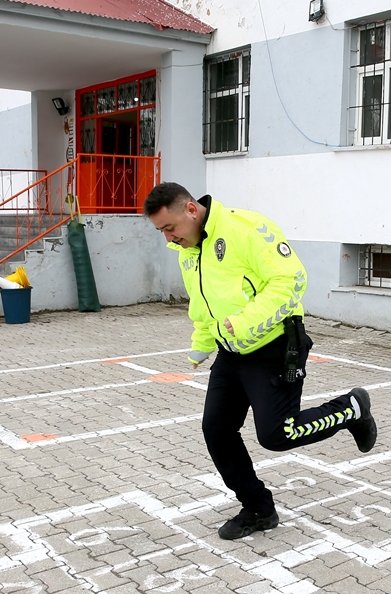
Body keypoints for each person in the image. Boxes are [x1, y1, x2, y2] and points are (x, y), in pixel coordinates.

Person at [143, 182, 377, 541]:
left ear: (191, 210)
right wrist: (202, 342)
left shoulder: (246, 228)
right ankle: (258, 508)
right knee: (217, 430)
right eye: (161, 232)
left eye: (169, 228)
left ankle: (351, 409)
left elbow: (291, 281)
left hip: (274, 347)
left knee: (277, 435)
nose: (169, 239)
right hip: (230, 351)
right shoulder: (188, 250)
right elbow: (204, 303)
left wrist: (243, 323)